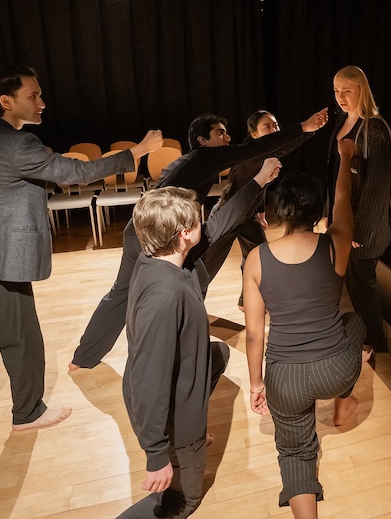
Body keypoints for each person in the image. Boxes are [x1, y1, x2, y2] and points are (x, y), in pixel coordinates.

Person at [0, 65, 162, 431]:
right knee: (22, 339)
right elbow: (74, 174)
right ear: (6, 101)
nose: (42, 102)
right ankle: (28, 413)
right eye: (33, 95)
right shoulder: (17, 143)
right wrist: (138, 151)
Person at [69, 109, 327, 370]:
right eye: (219, 133)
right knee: (192, 282)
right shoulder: (206, 157)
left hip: (138, 228)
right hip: (165, 237)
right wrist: (304, 127)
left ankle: (83, 357)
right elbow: (255, 150)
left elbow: (258, 150)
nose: (227, 138)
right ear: (203, 140)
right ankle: (182, 350)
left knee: (122, 293)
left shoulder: (187, 161)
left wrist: (305, 131)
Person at [117, 158, 282, 519]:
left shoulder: (165, 257)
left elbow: (223, 222)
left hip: (181, 372)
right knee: (183, 501)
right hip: (166, 410)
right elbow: (148, 381)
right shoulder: (164, 297)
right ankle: (181, 444)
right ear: (183, 234)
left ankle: (184, 433)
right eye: (196, 220)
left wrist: (258, 180)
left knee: (218, 354)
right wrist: (156, 455)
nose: (203, 223)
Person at [243, 139, 365, 519]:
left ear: (279, 209)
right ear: (318, 210)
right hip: (336, 370)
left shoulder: (256, 259)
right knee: (356, 323)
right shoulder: (335, 244)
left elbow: (253, 334)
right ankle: (345, 399)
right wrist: (345, 159)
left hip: (286, 379)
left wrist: (257, 384)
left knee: (295, 451)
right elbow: (344, 202)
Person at [199, 110, 308, 308]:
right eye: (267, 127)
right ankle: (188, 302)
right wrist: (307, 128)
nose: (274, 130)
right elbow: (283, 148)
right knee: (207, 265)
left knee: (258, 256)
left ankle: (246, 299)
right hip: (228, 213)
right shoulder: (253, 153)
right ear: (255, 135)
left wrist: (261, 213)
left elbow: (260, 186)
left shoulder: (264, 154)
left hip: (247, 215)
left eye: (275, 126)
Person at [328, 66, 391, 361]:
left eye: (347, 90)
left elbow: (377, 187)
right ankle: (363, 337)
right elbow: (335, 175)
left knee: (363, 285)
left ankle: (372, 342)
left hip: (363, 227)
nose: (340, 96)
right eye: (336, 90)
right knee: (351, 284)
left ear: (361, 91)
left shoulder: (374, 128)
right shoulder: (343, 121)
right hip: (344, 222)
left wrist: (360, 232)